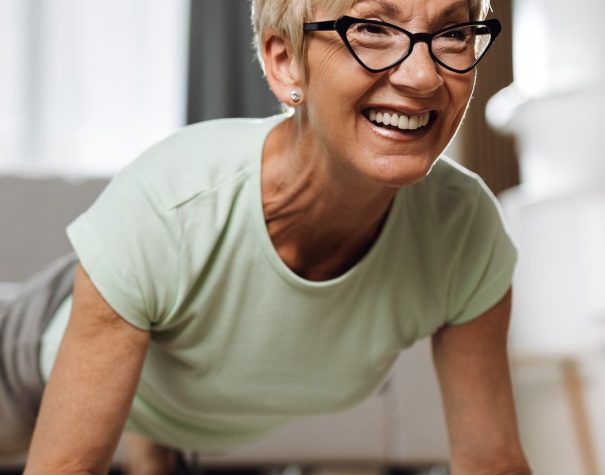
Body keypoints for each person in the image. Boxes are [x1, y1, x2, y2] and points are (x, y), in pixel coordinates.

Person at [1, 0, 531, 473]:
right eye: (372, 27)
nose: (423, 76)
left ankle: (152, 442)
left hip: (171, 386)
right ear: (284, 61)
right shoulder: (171, 204)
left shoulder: (464, 231)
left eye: (454, 33)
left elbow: (492, 461)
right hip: (26, 353)